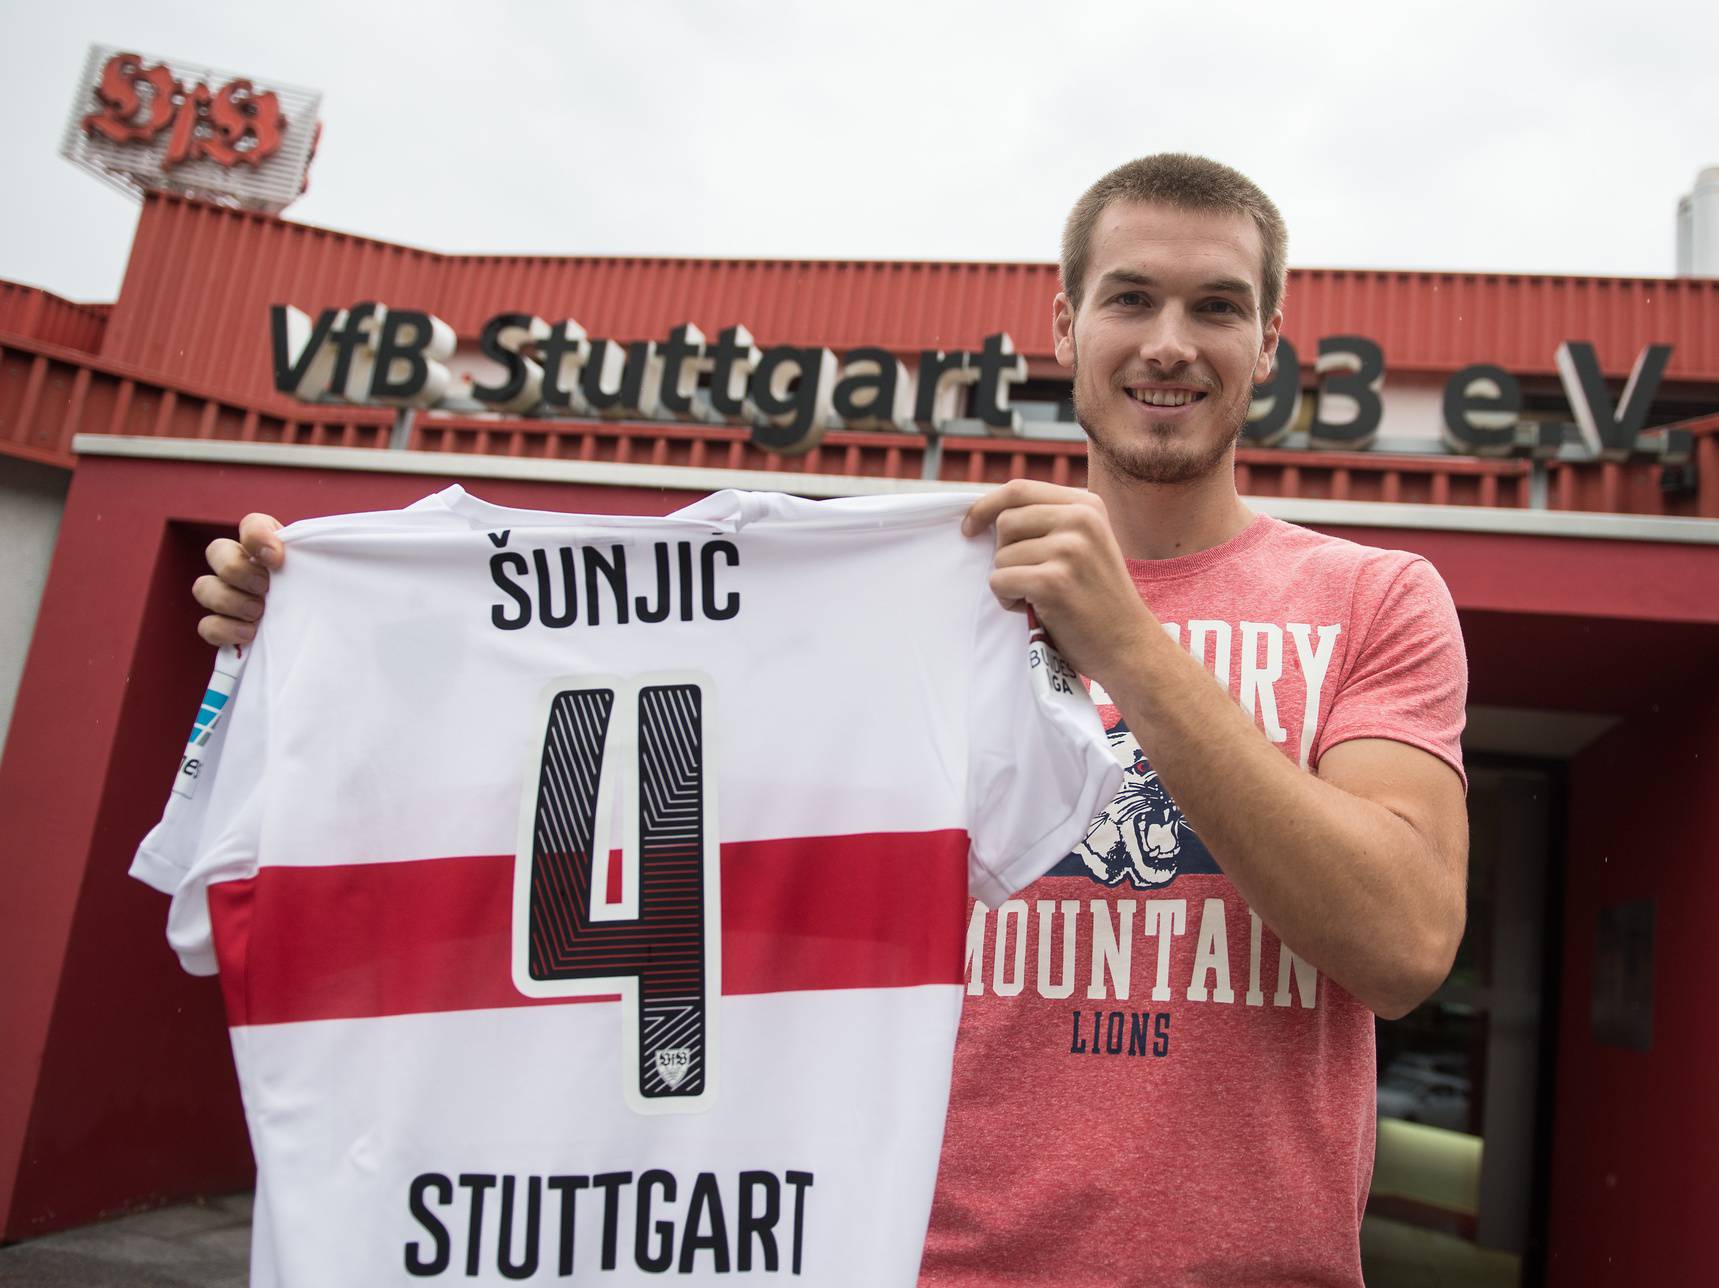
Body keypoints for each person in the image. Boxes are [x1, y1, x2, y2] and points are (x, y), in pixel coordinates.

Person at [195, 153, 1469, 1285]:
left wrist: (1130, 645)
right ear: (1067, 320)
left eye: (1217, 306)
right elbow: (614, 705)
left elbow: (1403, 940)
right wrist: (335, 642)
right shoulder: (930, 590)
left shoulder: (1371, 599)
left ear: (1273, 339)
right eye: (1131, 297)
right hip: (913, 1259)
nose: (1170, 341)